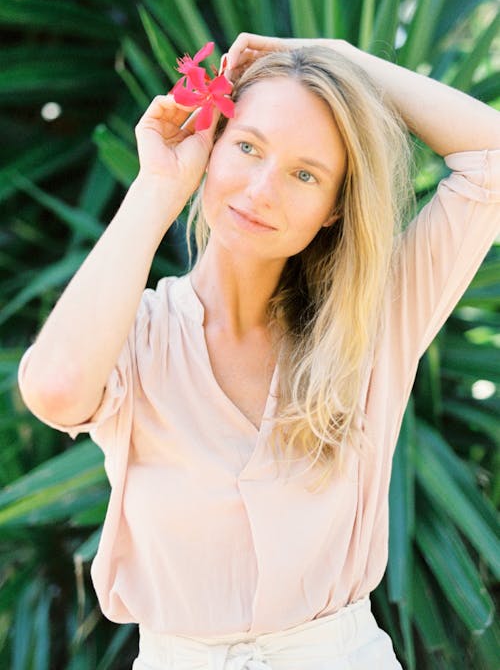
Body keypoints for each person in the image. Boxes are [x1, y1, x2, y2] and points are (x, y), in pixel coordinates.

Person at [17, 33, 500, 670]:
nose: (263, 189)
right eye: (248, 147)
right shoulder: (139, 334)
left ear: (333, 209)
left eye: (306, 174)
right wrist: (159, 186)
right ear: (212, 148)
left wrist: (339, 56)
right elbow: (54, 390)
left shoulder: (373, 323)